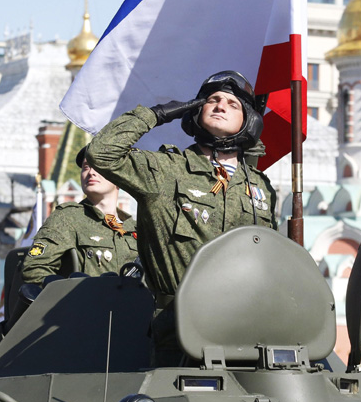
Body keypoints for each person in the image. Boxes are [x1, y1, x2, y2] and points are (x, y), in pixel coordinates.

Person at [86, 70, 276, 364]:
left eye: (232, 103)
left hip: (246, 330)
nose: (220, 106)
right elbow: (102, 153)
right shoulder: (164, 170)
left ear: (249, 121)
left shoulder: (259, 186)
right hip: (179, 327)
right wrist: (157, 114)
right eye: (212, 100)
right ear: (196, 112)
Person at [21, 146, 138, 284]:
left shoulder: (135, 229)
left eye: (99, 166)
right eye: (86, 167)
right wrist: (74, 294)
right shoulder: (67, 218)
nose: (91, 173)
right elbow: (34, 269)